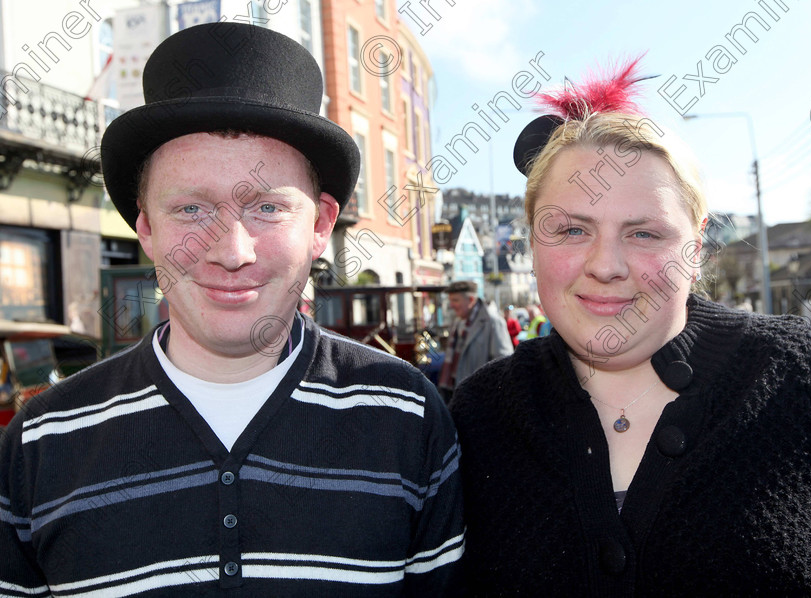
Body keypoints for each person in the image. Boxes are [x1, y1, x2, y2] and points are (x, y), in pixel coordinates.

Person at [0, 24, 464, 595]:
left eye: (267, 207)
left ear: (320, 225)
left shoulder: (407, 416)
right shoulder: (42, 441)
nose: (231, 251)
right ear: (145, 227)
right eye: (192, 209)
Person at [449, 56, 811, 596]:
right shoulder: (475, 418)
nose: (606, 265)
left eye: (645, 234)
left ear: (696, 248)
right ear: (533, 241)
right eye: (570, 229)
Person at [437, 281, 512, 403]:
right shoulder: (458, 322)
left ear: (471, 300)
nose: (451, 305)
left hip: (480, 398)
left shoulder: (493, 322)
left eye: (455, 300)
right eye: (450, 301)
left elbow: (504, 364)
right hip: (456, 394)